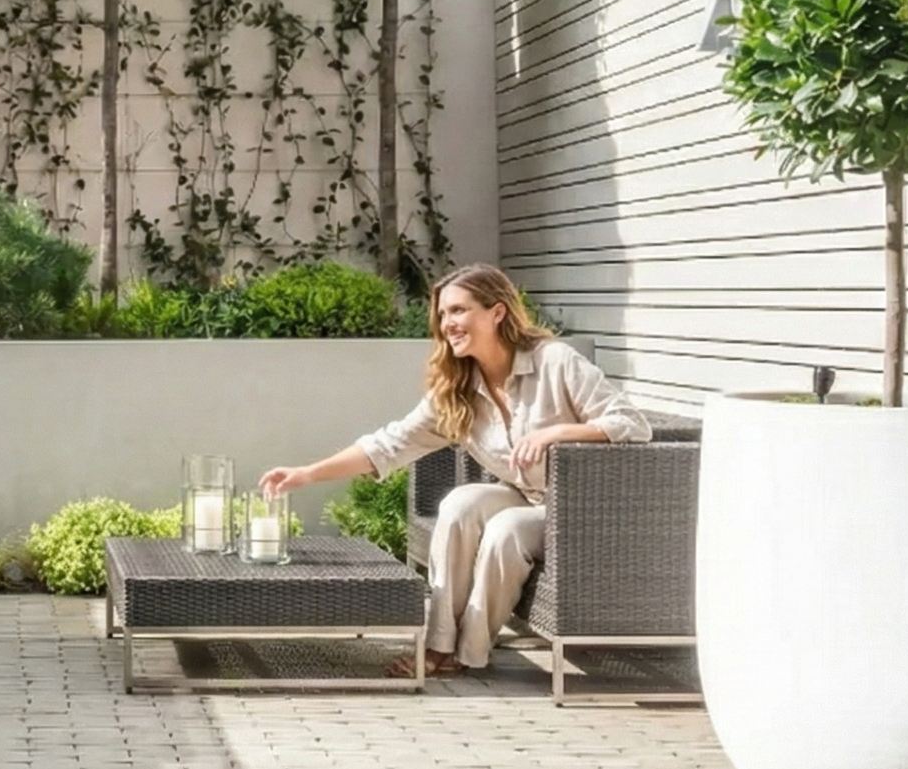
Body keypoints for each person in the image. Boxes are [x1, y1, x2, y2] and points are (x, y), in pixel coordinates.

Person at [259, 263, 648, 676]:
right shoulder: (459, 388)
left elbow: (632, 424)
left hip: (579, 511)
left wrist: (557, 434)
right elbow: (390, 443)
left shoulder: (555, 361)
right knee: (460, 502)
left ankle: (469, 654)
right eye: (443, 315)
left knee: (506, 529)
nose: (448, 324)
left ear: (497, 312)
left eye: (459, 311)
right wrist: (307, 473)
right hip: (527, 495)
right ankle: (438, 644)